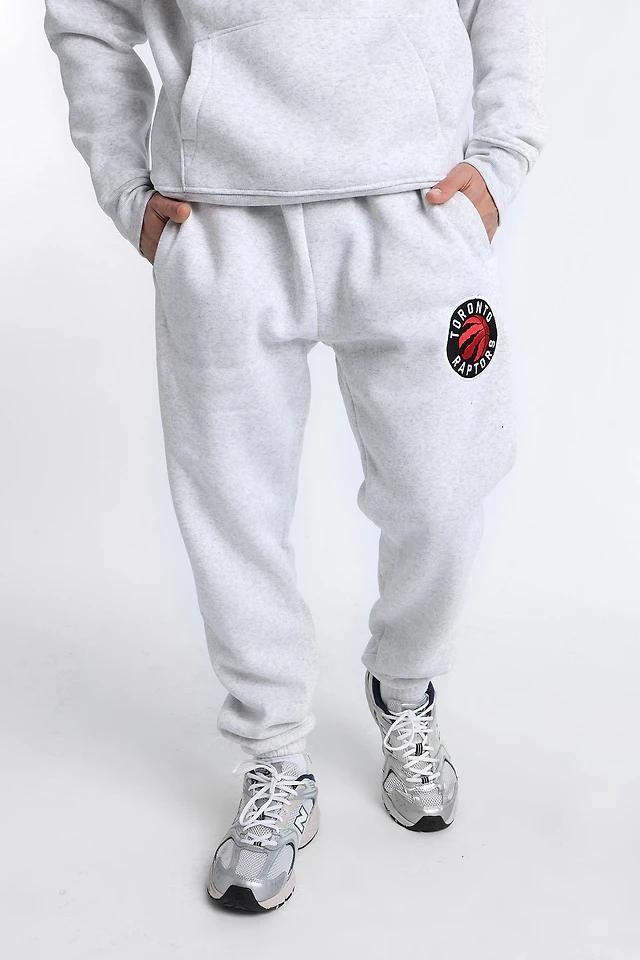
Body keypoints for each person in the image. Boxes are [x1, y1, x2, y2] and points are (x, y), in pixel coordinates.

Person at [45, 0, 546, 913]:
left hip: (417, 212)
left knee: (444, 489)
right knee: (230, 510)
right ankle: (275, 758)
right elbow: (86, 16)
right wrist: (125, 185)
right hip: (224, 225)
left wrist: (502, 152)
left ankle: (404, 685)